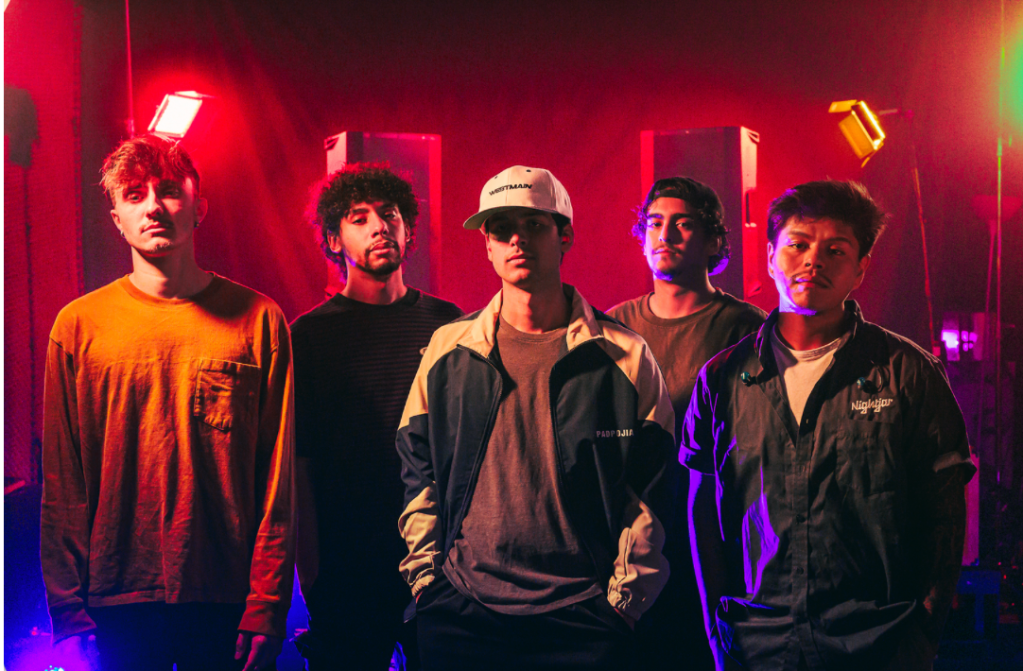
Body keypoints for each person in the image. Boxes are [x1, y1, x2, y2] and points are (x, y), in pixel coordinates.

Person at [683, 180, 975, 671]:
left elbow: (944, 505)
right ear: (772, 255)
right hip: (758, 644)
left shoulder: (907, 372)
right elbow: (702, 510)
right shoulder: (722, 377)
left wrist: (925, 627)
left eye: (835, 249)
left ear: (860, 269)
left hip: (879, 643)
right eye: (797, 244)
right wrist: (718, 624)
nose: (813, 261)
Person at [396, 165, 676, 670]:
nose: (517, 239)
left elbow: (653, 488)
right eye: (501, 228)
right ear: (486, 244)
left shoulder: (625, 355)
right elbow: (418, 471)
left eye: (533, 224)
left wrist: (622, 606)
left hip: (584, 620)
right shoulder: (447, 349)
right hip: (462, 613)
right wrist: (427, 585)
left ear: (564, 234)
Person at [41, 134, 295, 671]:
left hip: (228, 598)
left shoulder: (258, 320)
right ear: (116, 217)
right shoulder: (78, 326)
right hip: (113, 599)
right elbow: (63, 482)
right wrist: (67, 608)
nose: (153, 205)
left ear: (199, 208)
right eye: (134, 194)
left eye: (170, 190)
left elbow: (277, 482)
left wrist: (269, 603)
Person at [291, 163, 463, 669]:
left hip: (439, 566)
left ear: (408, 229)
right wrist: (311, 578)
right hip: (347, 570)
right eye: (358, 217)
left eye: (388, 215)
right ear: (334, 237)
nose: (379, 227)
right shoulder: (308, 336)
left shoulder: (449, 325)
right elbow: (299, 468)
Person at [608, 177, 766, 669]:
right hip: (631, 541)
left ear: (715, 241)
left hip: (714, 541)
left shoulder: (747, 327)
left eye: (683, 224)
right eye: (654, 223)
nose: (665, 235)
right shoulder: (612, 326)